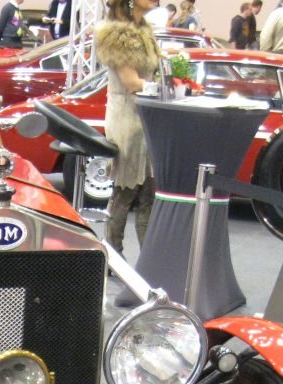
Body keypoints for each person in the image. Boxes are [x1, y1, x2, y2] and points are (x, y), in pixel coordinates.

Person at [93, 0, 162, 279]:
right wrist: (164, 87)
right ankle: (113, 257)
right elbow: (132, 83)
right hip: (126, 118)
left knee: (149, 192)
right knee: (125, 190)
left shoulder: (144, 30)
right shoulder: (114, 32)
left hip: (146, 116)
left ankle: (149, 263)